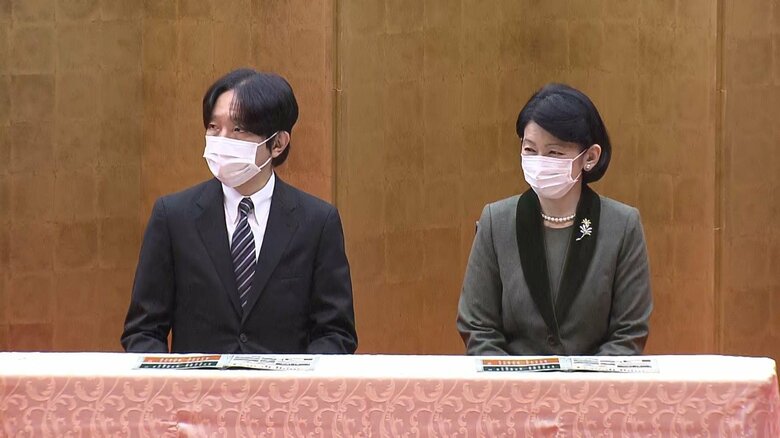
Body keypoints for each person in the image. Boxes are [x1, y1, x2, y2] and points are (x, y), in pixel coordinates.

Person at [121, 69, 357, 354]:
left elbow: (335, 333)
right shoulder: (173, 217)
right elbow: (144, 331)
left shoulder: (317, 222)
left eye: (238, 130)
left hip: (283, 383)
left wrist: (296, 380)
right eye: (213, 127)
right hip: (197, 383)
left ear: (278, 143)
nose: (222, 140)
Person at [456, 83, 652, 356]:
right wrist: (515, 381)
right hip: (512, 382)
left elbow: (628, 333)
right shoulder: (496, 221)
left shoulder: (622, 226)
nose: (539, 162)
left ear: (590, 157)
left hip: (595, 382)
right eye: (530, 150)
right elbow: (478, 327)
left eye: (554, 153)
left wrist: (581, 382)